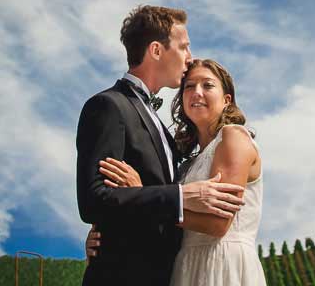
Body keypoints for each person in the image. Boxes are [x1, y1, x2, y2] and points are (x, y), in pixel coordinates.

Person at [76, 6, 246, 286]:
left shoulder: (163, 131)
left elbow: (144, 203)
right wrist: (180, 197)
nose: (189, 58)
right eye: (184, 47)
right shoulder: (109, 106)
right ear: (156, 50)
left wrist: (142, 195)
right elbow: (94, 201)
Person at [91, 58, 267, 286]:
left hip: (223, 264)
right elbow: (172, 224)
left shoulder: (233, 136)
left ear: (227, 100)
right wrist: (106, 236)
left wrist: (143, 193)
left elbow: (217, 224)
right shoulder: (185, 165)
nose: (197, 92)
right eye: (189, 86)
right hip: (184, 268)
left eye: (208, 85)